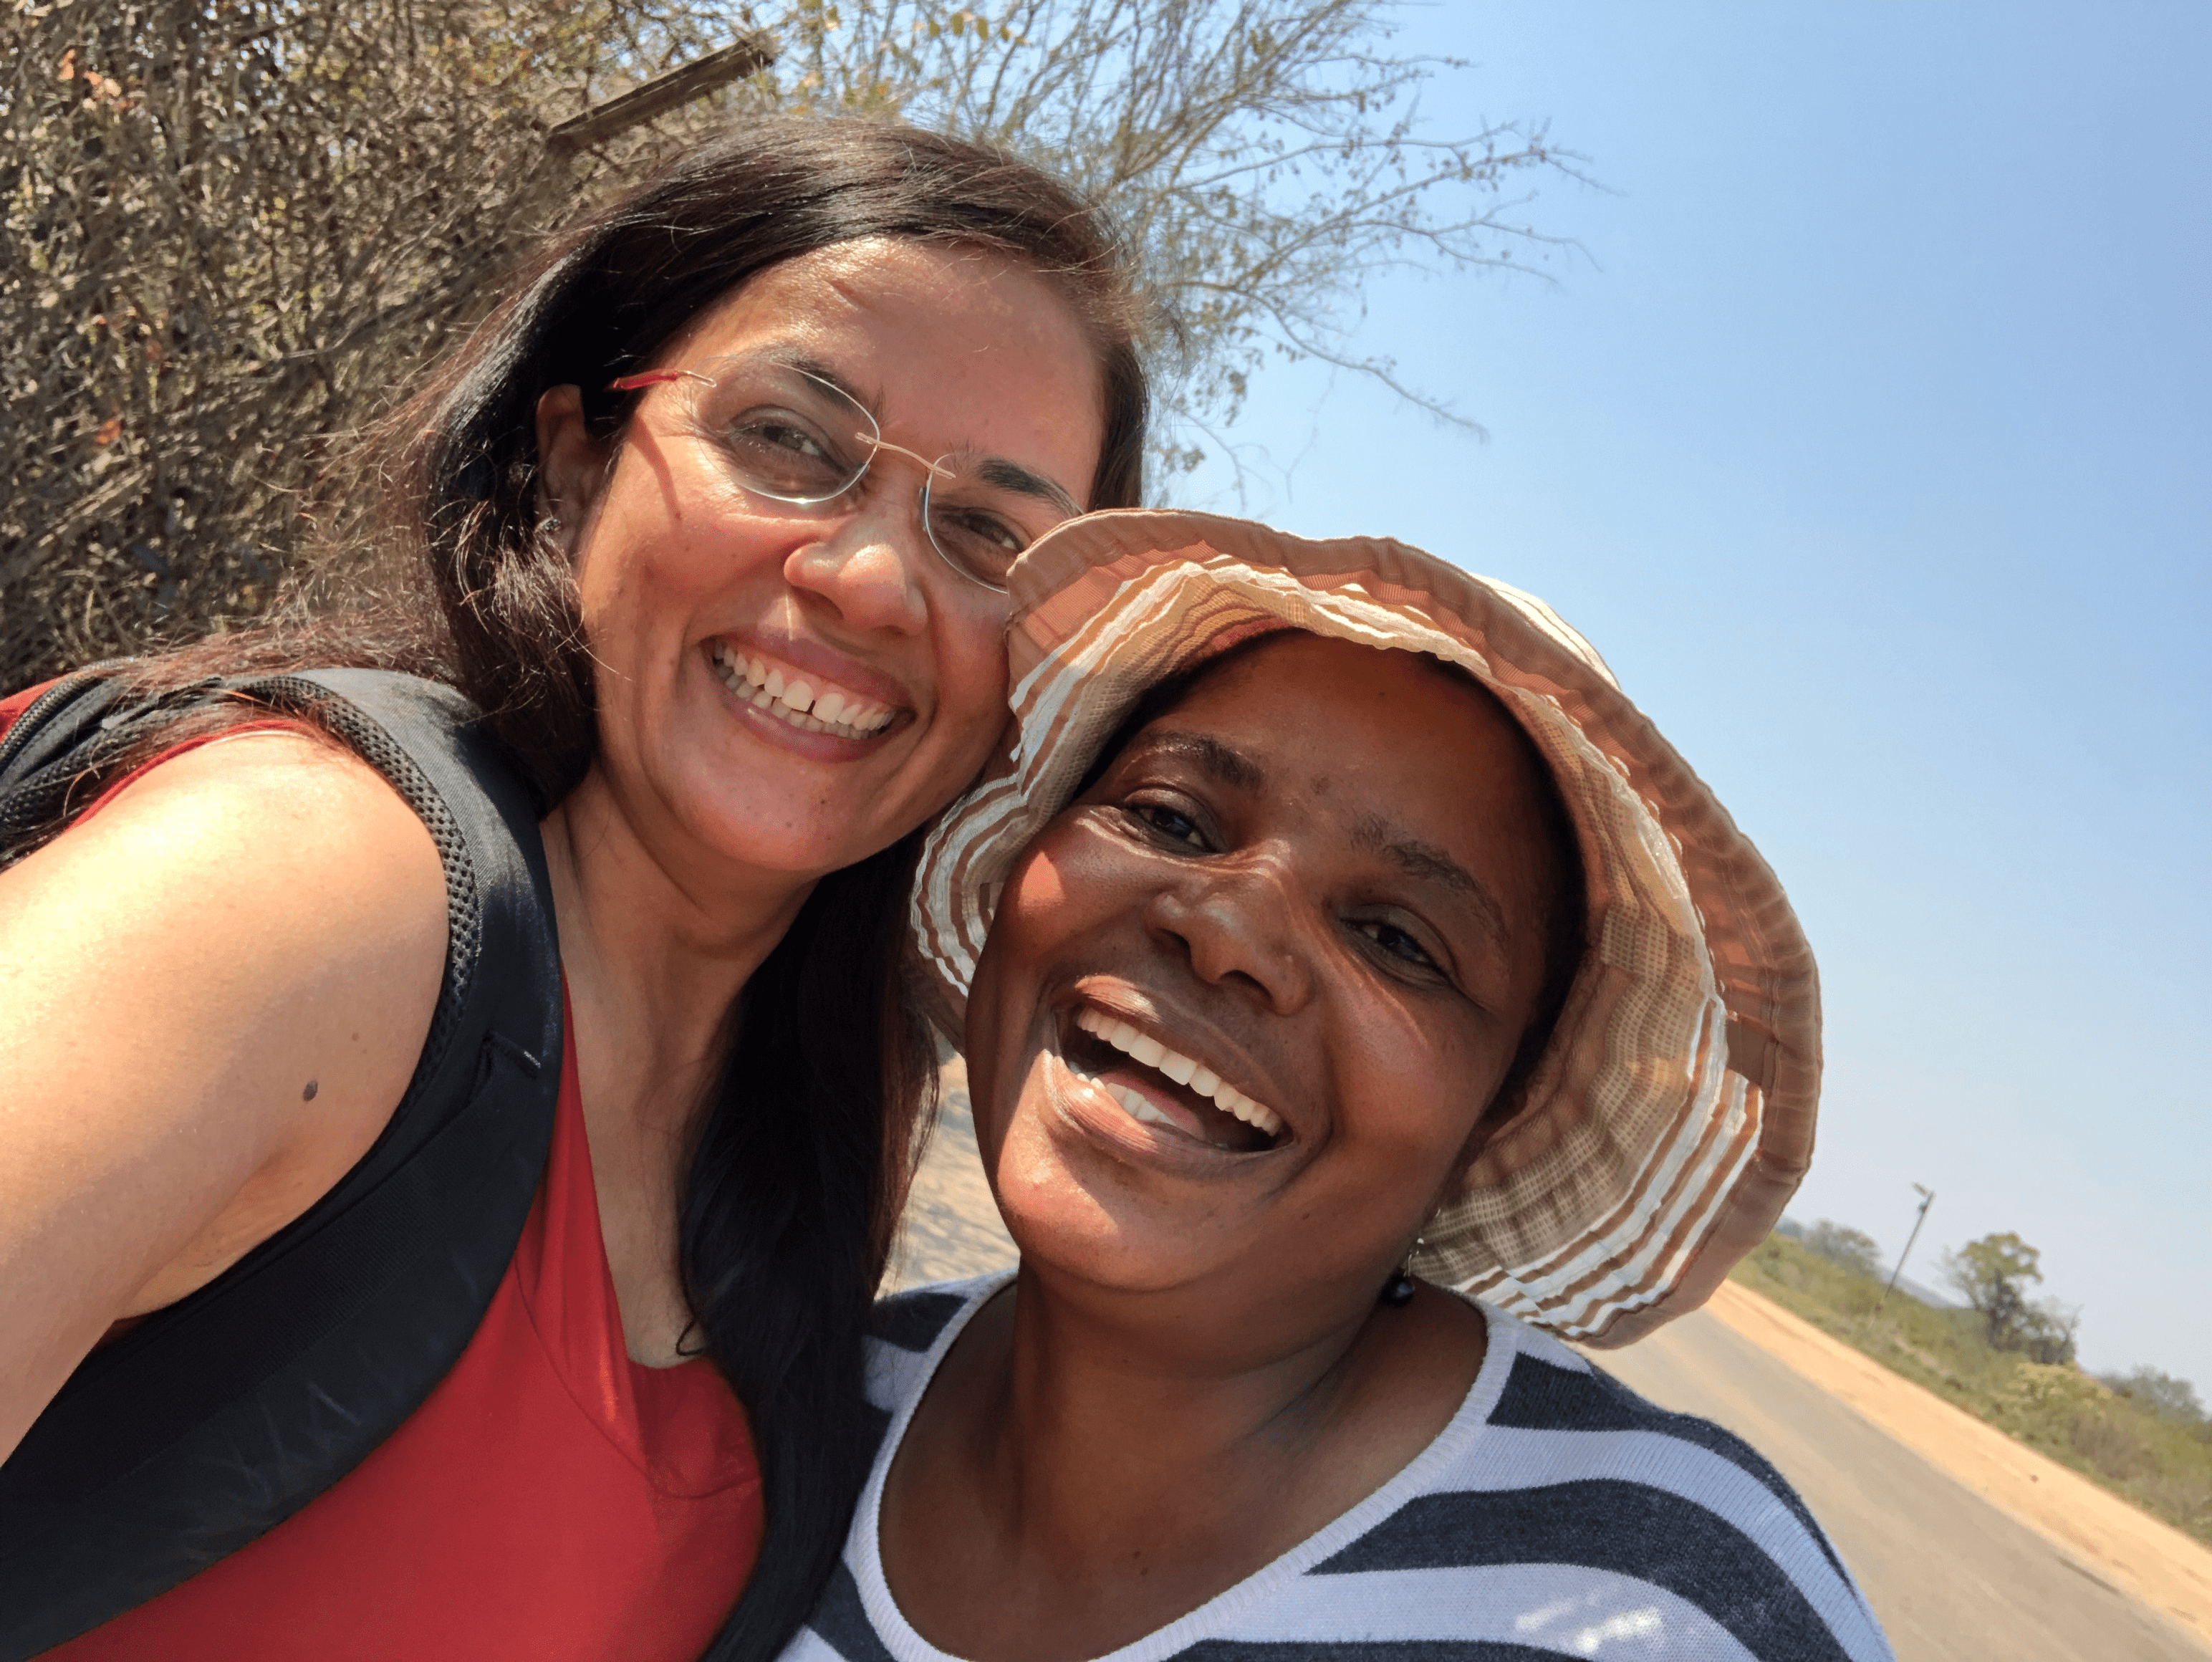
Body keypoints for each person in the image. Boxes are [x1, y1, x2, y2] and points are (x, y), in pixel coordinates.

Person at [0, 117, 1149, 1659]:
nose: (873, 580)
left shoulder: (816, 1123)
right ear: (573, 453)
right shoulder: (311, 887)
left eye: (989, 533)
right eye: (790, 441)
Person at [785, 511, 1891, 1661]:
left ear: (1494, 1118)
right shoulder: (812, 1405)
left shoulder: (1667, 1597)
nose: (1229, 932)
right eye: (1167, 816)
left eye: (1398, 940)